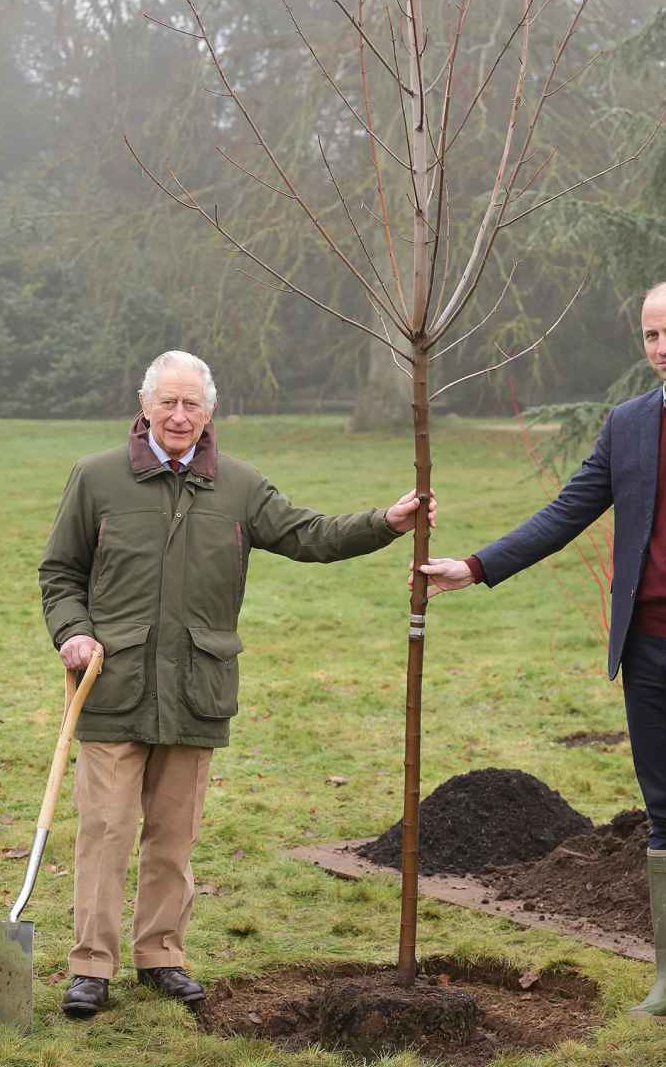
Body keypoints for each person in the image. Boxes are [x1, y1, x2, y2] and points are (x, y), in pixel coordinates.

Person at [419, 282, 666, 1045]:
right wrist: (477, 565)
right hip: (645, 650)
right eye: (649, 335)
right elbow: (568, 511)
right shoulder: (629, 425)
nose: (662, 346)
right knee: (665, 810)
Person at [39, 349, 435, 1019]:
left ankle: (161, 953)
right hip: (113, 687)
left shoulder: (240, 487)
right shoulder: (96, 480)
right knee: (105, 830)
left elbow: (310, 533)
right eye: (167, 401)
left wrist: (385, 523)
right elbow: (59, 572)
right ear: (144, 406)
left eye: (192, 403)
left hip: (197, 687)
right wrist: (72, 630)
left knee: (174, 833)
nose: (179, 414)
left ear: (210, 411)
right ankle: (91, 966)